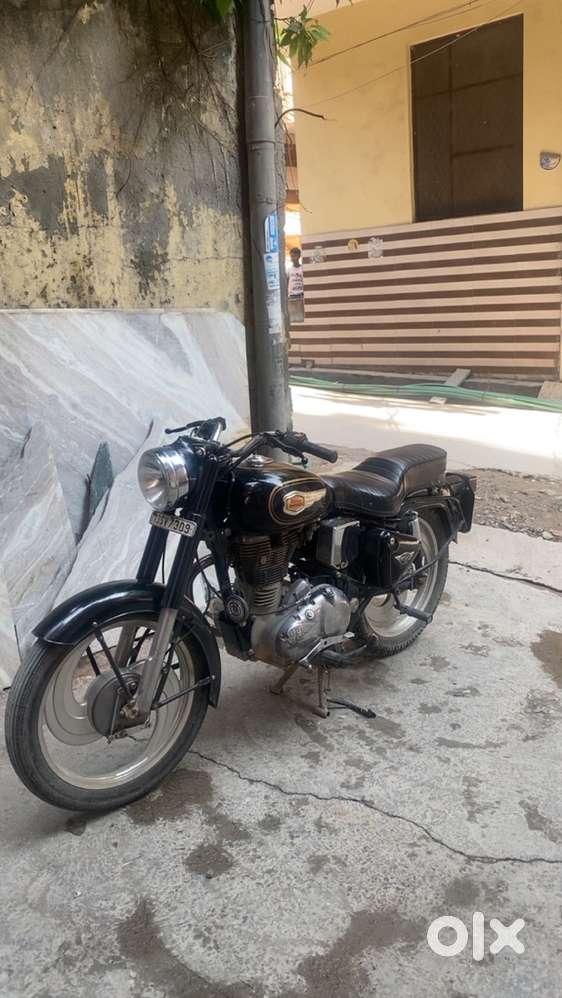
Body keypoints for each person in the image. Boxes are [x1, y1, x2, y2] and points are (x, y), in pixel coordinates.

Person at [287, 246, 304, 324]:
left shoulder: (303, 269)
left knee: (302, 318)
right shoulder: (288, 270)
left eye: (294, 256)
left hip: (301, 296)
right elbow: (286, 282)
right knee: (293, 320)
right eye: (291, 256)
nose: (293, 258)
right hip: (292, 297)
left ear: (299, 256)